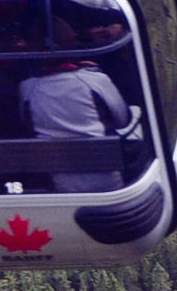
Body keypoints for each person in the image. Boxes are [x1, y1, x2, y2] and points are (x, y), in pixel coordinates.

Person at [18, 60, 133, 192]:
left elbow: (27, 126)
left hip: (58, 183)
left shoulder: (28, 88)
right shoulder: (96, 80)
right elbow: (122, 120)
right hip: (110, 179)